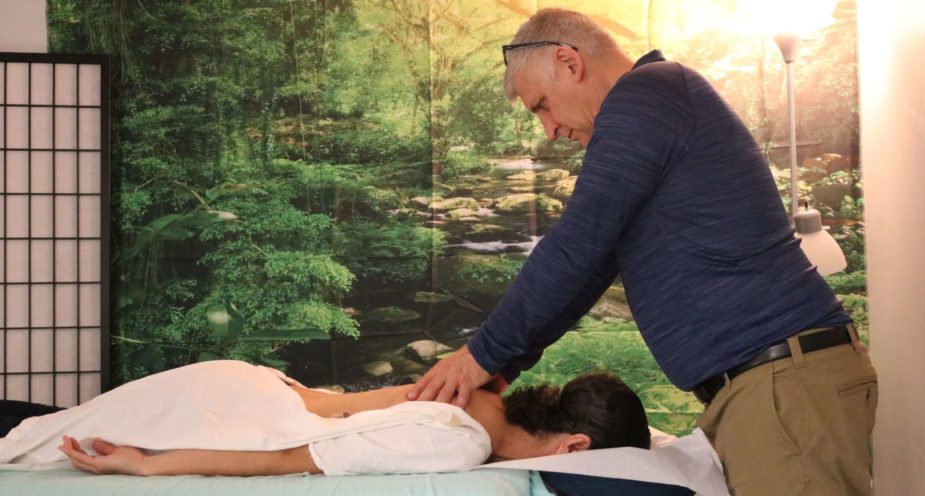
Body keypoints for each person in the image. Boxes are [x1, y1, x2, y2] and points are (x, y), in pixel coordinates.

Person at [406, 8, 878, 496]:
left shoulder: (650, 92)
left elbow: (576, 242)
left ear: (570, 61)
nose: (550, 130)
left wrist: (480, 355)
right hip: (762, 384)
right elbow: (589, 268)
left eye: (542, 105)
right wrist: (504, 366)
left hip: (782, 382)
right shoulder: (650, 110)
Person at [0, 360, 649, 476]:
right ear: (573, 445)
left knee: (42, 428)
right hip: (223, 415)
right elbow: (286, 461)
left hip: (247, 384)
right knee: (29, 443)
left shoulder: (487, 393)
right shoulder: (452, 447)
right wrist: (150, 464)